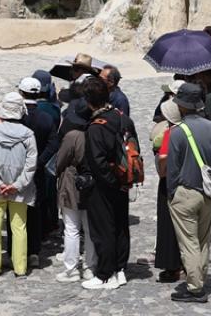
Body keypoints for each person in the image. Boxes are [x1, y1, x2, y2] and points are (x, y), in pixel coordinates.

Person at [166, 82, 211, 304]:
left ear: (182, 105)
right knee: (203, 241)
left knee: (189, 243)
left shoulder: (178, 132)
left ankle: (195, 288)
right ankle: (200, 278)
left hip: (185, 193)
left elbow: (172, 169)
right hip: (207, 193)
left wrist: (171, 194)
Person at [81, 76, 133, 291]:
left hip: (103, 186)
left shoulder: (96, 127)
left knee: (103, 230)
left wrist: (110, 183)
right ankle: (120, 269)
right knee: (120, 226)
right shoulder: (122, 118)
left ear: (88, 101)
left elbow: (98, 162)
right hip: (123, 180)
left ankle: (105, 274)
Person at [0, 92, 37, 279]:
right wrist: (18, 184)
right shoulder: (28, 135)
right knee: (19, 227)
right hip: (20, 189)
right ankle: (20, 268)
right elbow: (31, 164)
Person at [54, 100, 96, 282]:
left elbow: (60, 161)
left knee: (71, 228)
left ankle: (71, 269)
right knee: (89, 228)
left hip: (72, 182)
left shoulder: (72, 136)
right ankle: (90, 266)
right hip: (92, 183)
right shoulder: (96, 132)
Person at [19, 76, 58, 263]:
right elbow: (53, 144)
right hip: (37, 169)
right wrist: (39, 161)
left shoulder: (18, 116)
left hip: (18, 168)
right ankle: (34, 250)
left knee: (17, 209)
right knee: (36, 209)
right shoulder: (46, 117)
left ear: (21, 92)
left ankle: (18, 250)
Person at [151, 98, 184, 283]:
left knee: (169, 225)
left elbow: (163, 164)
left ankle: (172, 266)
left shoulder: (171, 134)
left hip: (170, 183)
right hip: (189, 181)